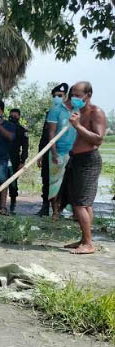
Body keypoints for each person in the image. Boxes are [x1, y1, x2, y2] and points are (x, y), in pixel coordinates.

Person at [62, 81, 107, 254]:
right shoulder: (77, 111)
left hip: (89, 160)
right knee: (80, 203)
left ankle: (89, 244)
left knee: (81, 204)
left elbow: (98, 139)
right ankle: (84, 239)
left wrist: (78, 126)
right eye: (72, 94)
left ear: (88, 95)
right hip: (76, 159)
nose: (74, 98)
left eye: (78, 95)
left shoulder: (96, 113)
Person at [37, 83, 69, 216]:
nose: (56, 98)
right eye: (54, 96)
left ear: (66, 96)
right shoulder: (50, 114)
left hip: (64, 153)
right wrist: (40, 154)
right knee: (47, 180)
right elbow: (45, 136)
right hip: (48, 152)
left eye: (59, 96)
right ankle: (45, 207)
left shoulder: (70, 113)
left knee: (64, 182)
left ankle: (60, 210)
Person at [47, 87, 78, 221]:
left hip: (74, 154)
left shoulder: (78, 112)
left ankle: (74, 213)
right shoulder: (56, 110)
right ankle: (55, 212)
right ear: (70, 96)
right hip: (58, 152)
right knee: (55, 184)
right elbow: (51, 133)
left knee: (74, 184)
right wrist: (54, 153)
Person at [7, 108, 29, 215]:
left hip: (15, 159)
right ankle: (0, 204)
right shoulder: (5, 127)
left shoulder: (22, 130)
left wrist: (22, 162)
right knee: (0, 180)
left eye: (15, 116)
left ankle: (13, 203)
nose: (13, 118)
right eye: (11, 116)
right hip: (3, 157)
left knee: (13, 182)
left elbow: (25, 148)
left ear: (19, 117)